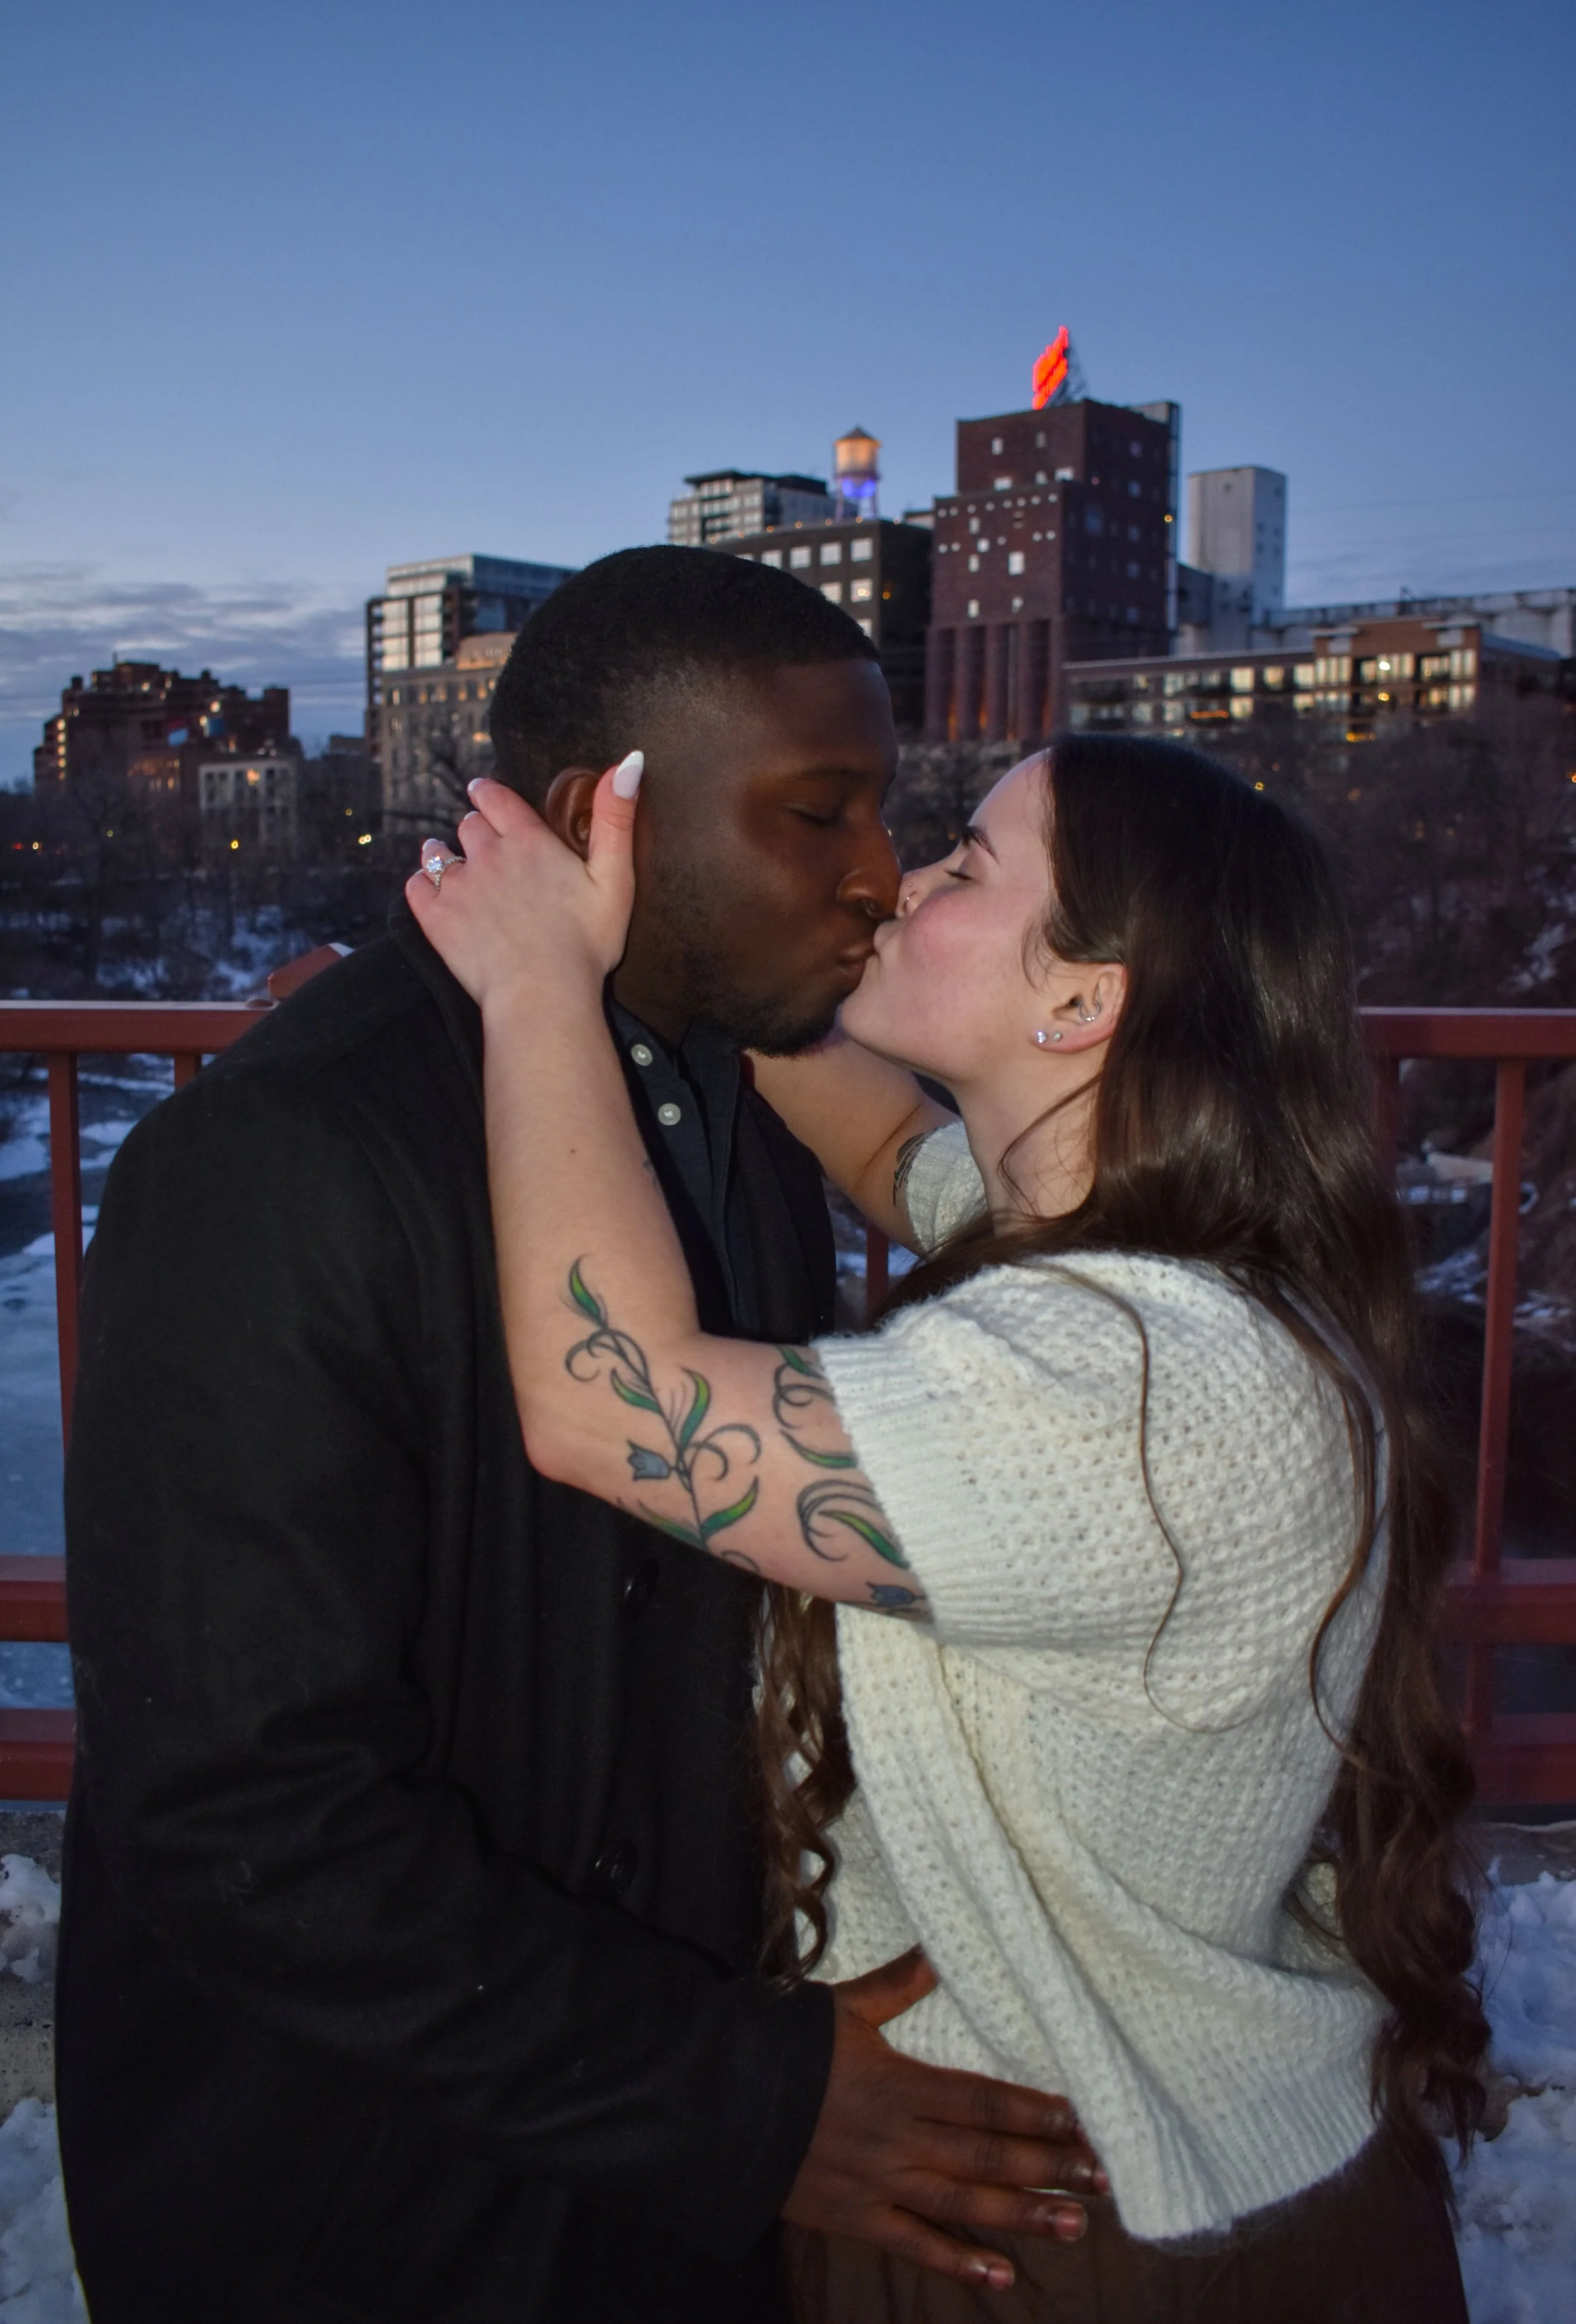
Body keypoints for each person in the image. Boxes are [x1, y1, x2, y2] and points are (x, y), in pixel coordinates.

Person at [57, 548, 1101, 2324]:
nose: (876, 874)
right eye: (816, 812)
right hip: (364, 2208)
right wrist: (743, 2095)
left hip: (635, 2169)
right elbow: (245, 1809)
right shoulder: (281, 1163)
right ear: (590, 815)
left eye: (891, 811)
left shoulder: (730, 1100)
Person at [407, 728, 1488, 2321]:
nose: (904, 880)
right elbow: (877, 1144)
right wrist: (690, 941)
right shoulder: (1121, 1248)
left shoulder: (1133, 1388)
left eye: (970, 866)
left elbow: (611, 1397)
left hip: (1090, 2232)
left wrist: (533, 988)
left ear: (1079, 1000)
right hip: (1105, 2172)